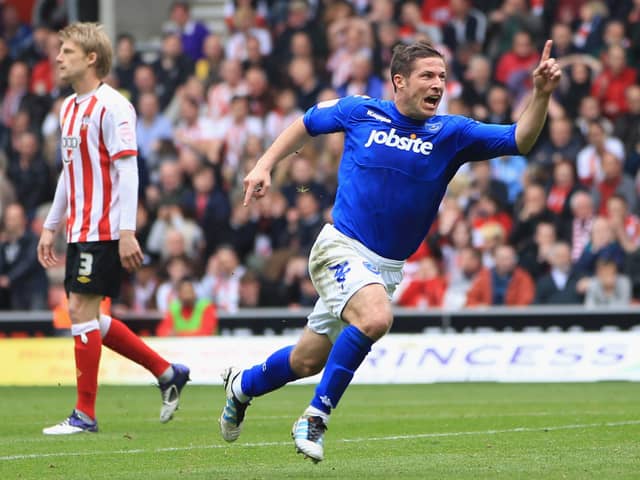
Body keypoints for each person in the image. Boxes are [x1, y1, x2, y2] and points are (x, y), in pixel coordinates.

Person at [218, 39, 561, 462]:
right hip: (339, 248)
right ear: (399, 81)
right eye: (427, 76)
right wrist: (264, 164)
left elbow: (519, 139)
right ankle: (314, 417)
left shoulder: (453, 133)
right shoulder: (361, 111)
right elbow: (306, 123)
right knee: (376, 317)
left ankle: (242, 386)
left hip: (385, 269)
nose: (438, 85)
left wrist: (541, 95)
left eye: (442, 77)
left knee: (306, 362)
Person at [37, 23, 190, 435]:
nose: (58, 58)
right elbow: (69, 175)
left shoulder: (114, 107)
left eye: (67, 50)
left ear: (91, 58)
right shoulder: (68, 108)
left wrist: (127, 231)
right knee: (83, 314)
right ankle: (166, 371)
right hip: (80, 228)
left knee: (83, 312)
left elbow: (128, 170)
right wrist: (51, 225)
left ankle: (84, 414)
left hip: (104, 228)